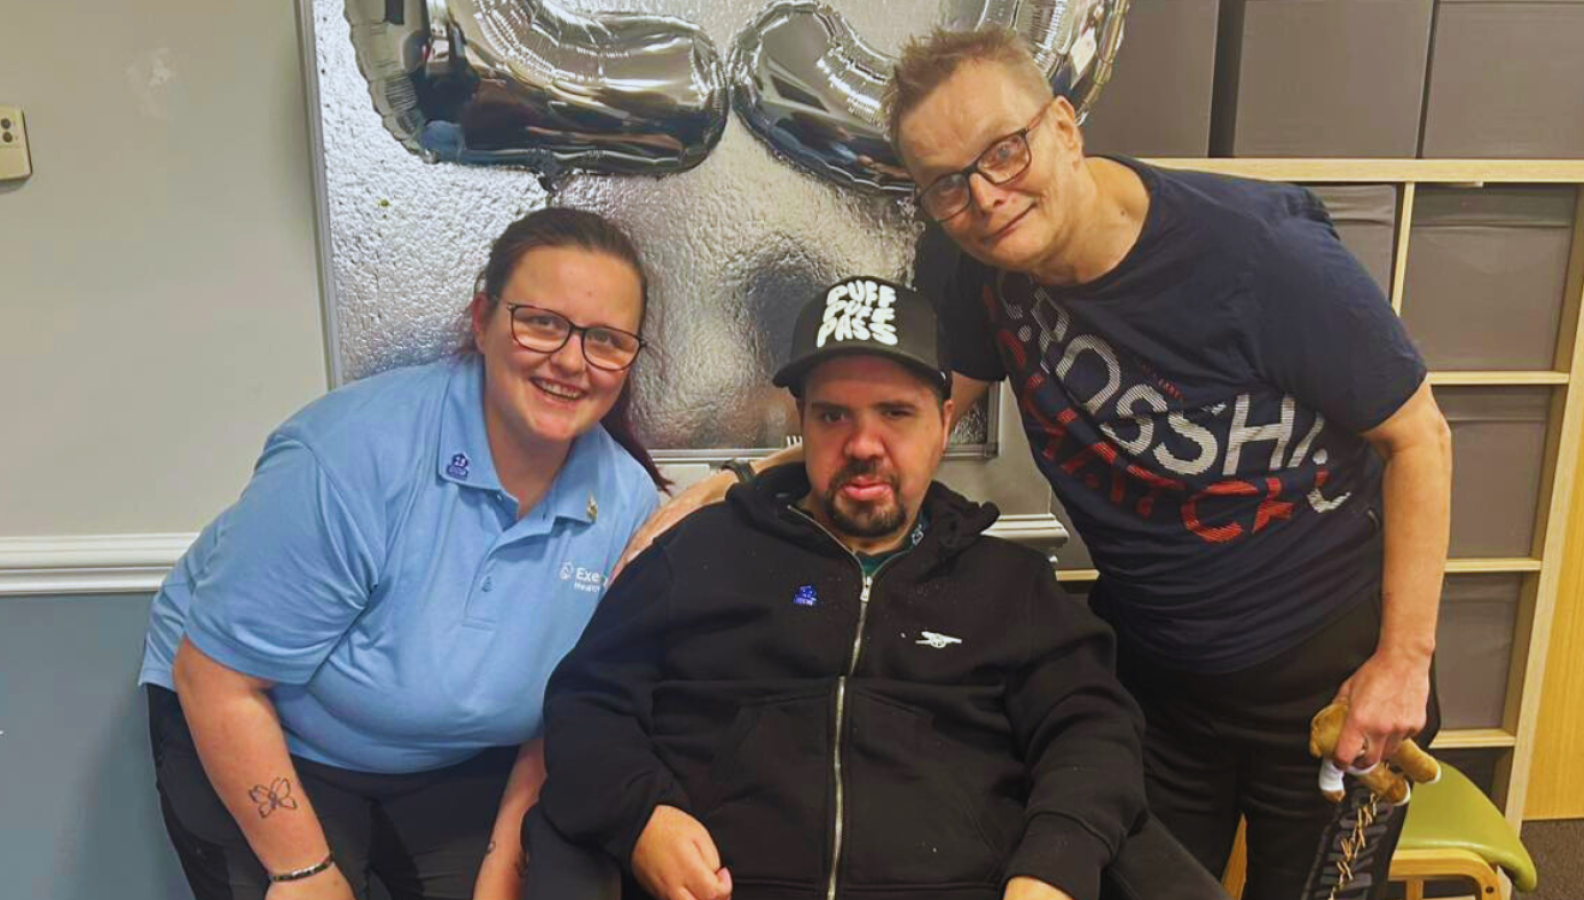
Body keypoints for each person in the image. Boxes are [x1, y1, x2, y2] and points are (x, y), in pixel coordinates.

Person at [623, 26, 1451, 900]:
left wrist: (1404, 663)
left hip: (1322, 674)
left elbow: (1419, 438)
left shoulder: (1258, 254)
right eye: (946, 183)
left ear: (1063, 125)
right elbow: (917, 420)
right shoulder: (976, 261)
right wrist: (750, 480)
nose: (985, 195)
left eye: (1005, 152)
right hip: (1160, 675)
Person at [538, 276, 1148, 900]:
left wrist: (1054, 865)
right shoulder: (701, 553)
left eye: (895, 413)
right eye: (834, 415)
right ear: (802, 421)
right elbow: (587, 702)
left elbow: (1094, 731)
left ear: (942, 424)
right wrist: (642, 818)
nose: (862, 445)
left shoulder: (1011, 588)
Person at [138, 207, 666, 900]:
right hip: (264, 727)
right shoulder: (351, 455)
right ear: (481, 321)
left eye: (605, 339)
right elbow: (219, 680)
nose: (571, 360)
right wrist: (302, 871)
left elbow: (565, 711)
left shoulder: (627, 504)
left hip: (451, 761)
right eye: (540, 322)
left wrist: (503, 867)